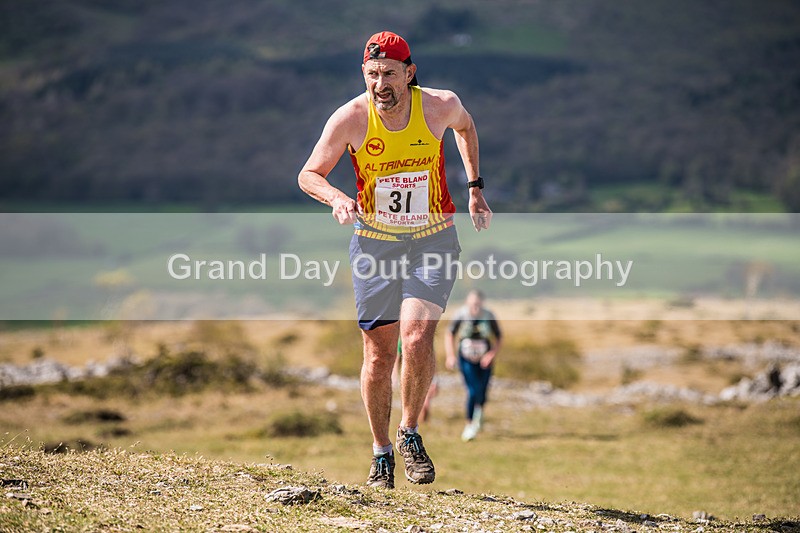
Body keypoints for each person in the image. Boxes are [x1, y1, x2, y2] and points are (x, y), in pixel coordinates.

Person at [298, 30, 492, 489]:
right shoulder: (351, 118)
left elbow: (467, 127)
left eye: (388, 74)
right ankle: (380, 451)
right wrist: (336, 198)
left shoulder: (440, 105)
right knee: (379, 355)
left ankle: (409, 433)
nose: (379, 84)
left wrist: (475, 189)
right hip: (375, 244)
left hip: (433, 236)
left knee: (418, 332)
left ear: (409, 73)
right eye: (371, 75)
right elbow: (308, 173)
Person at [445, 289, 502, 441]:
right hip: (466, 358)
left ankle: (479, 414)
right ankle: (469, 424)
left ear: (482, 303)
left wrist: (491, 355)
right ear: (467, 303)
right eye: (472, 303)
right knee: (472, 390)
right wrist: (450, 356)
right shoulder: (461, 315)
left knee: (482, 391)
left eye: (477, 303)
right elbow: (450, 333)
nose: (474, 306)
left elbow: (498, 336)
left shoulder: (488, 315)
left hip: (484, 360)